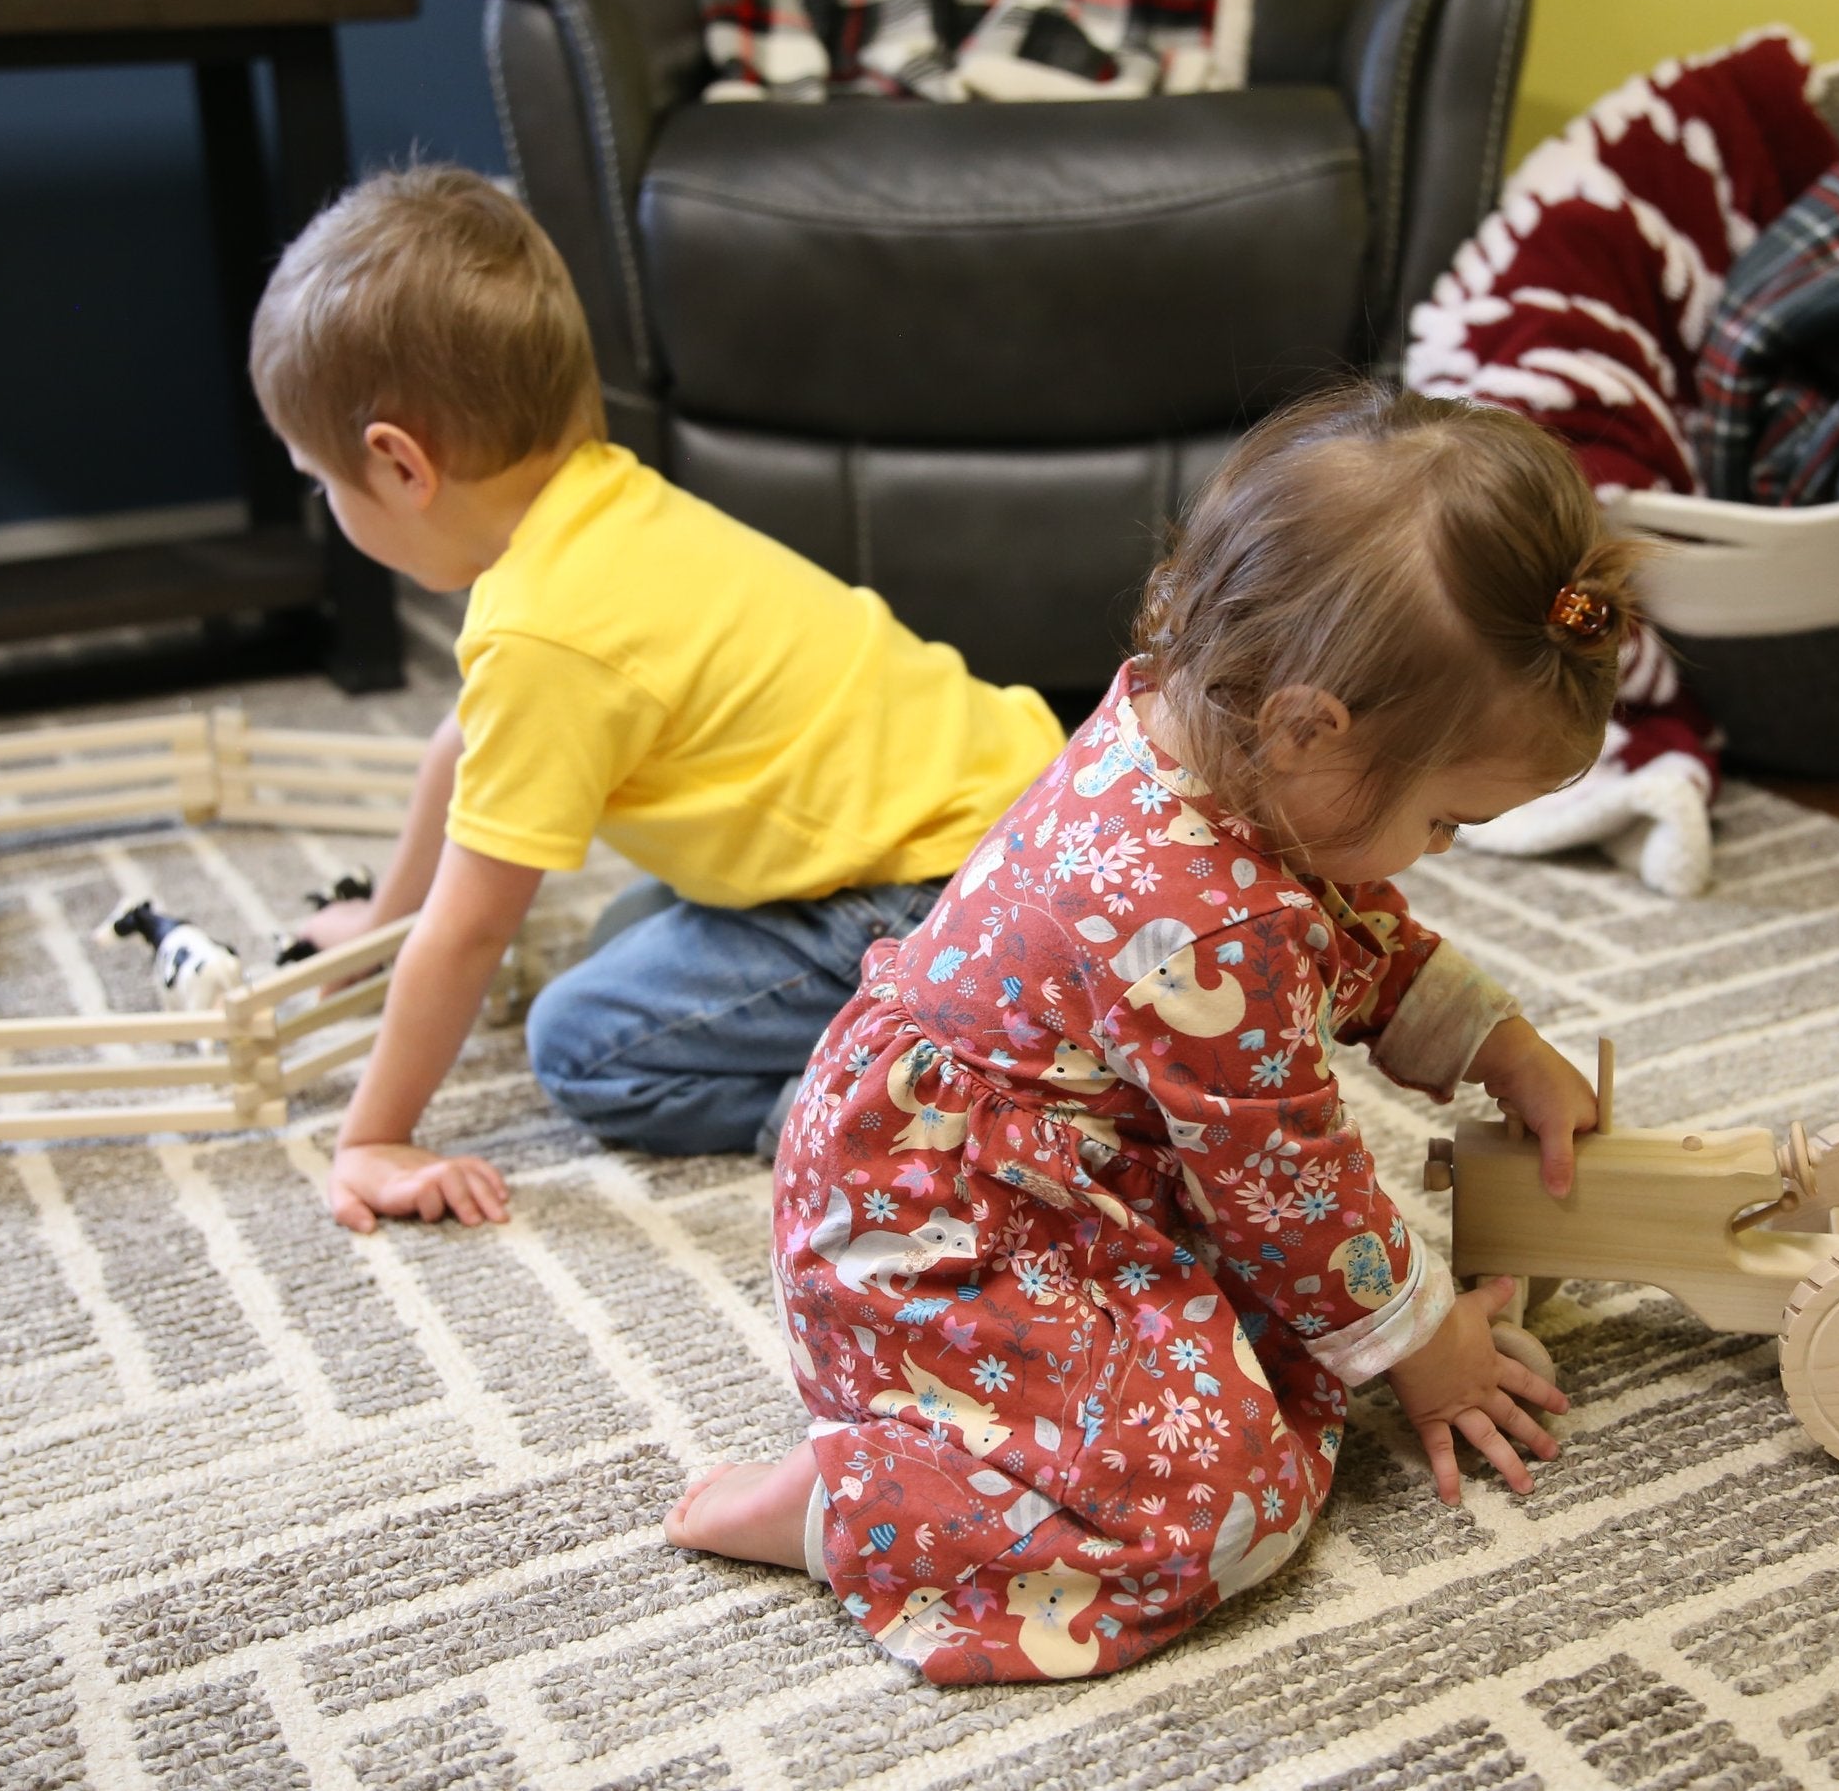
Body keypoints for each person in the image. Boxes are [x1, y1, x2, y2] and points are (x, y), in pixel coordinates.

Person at [664, 382, 1640, 1683]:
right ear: (1306, 729)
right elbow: (1287, 1180)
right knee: (1221, 1492)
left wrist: (1493, 1041)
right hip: (948, 1230)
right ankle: (861, 1504)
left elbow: (1336, 925)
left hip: (1015, 1152)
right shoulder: (1201, 921)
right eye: (1445, 818)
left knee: (1276, 1336)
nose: (1437, 854)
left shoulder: (1201, 726)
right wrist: (1429, 1348)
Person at [251, 166, 1064, 1229]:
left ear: (401, 466)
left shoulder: (544, 629)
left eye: (323, 484)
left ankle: (892, 1118)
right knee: (624, 936)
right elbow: (458, 754)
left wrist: (372, 1137)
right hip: (1007, 823)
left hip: (931, 902)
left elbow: (472, 929)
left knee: (581, 1040)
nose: (328, 506)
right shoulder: (600, 506)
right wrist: (386, 918)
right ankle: (929, 1035)